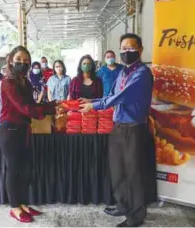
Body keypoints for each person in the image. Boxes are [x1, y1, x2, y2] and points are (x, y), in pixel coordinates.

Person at [79, 34, 157, 227]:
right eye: (123, 48)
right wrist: (93, 101)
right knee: (118, 169)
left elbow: (122, 96)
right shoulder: (122, 72)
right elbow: (111, 94)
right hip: (118, 127)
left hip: (134, 129)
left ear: (140, 49)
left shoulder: (142, 73)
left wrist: (95, 107)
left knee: (133, 173)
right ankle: (123, 204)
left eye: (131, 48)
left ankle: (136, 215)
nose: (125, 52)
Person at [0, 46, 62, 223]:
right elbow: (24, 108)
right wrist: (50, 108)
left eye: (26, 61)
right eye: (19, 59)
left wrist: (53, 104)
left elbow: (32, 103)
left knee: (26, 168)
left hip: (24, 129)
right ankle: (14, 207)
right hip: (9, 130)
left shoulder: (25, 82)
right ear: (11, 60)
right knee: (13, 168)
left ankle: (23, 203)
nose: (23, 63)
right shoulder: (8, 82)